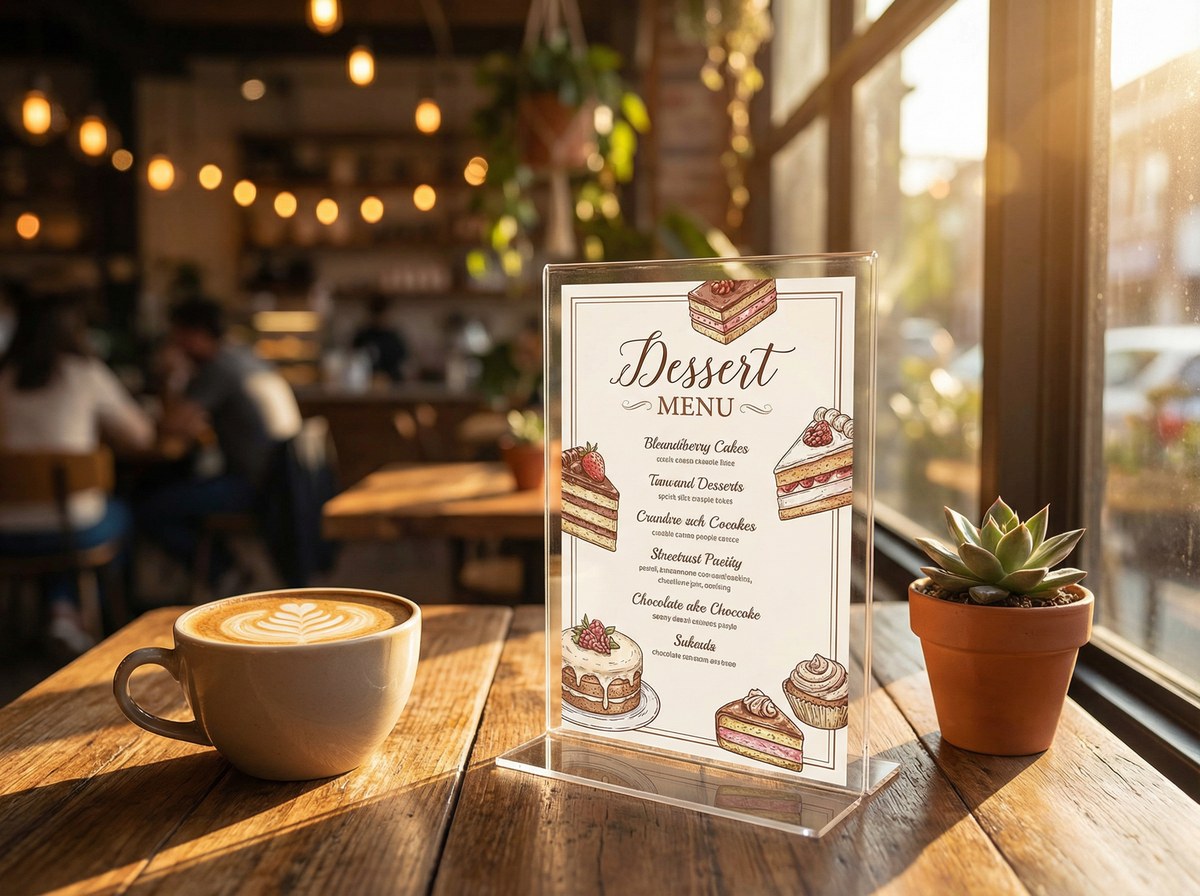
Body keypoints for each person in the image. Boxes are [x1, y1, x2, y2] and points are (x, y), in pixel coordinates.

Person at [0, 287, 155, 655]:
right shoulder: (84, 374)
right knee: (118, 513)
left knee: (56, 519)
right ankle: (80, 613)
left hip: (5, 529)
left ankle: (54, 610)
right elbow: (141, 437)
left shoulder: (3, 377)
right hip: (72, 526)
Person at [137, 297, 301, 591]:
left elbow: (173, 424)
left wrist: (168, 376)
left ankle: (223, 572)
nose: (175, 344)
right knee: (173, 491)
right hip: (280, 480)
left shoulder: (218, 368)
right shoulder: (245, 356)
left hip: (253, 486)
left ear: (196, 334)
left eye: (178, 336)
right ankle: (222, 569)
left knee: (150, 509)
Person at [352, 293, 409, 384]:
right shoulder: (362, 336)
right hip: (366, 384)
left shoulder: (394, 337)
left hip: (393, 384)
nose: (381, 318)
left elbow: (405, 364)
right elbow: (353, 361)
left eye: (383, 314)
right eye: (377, 314)